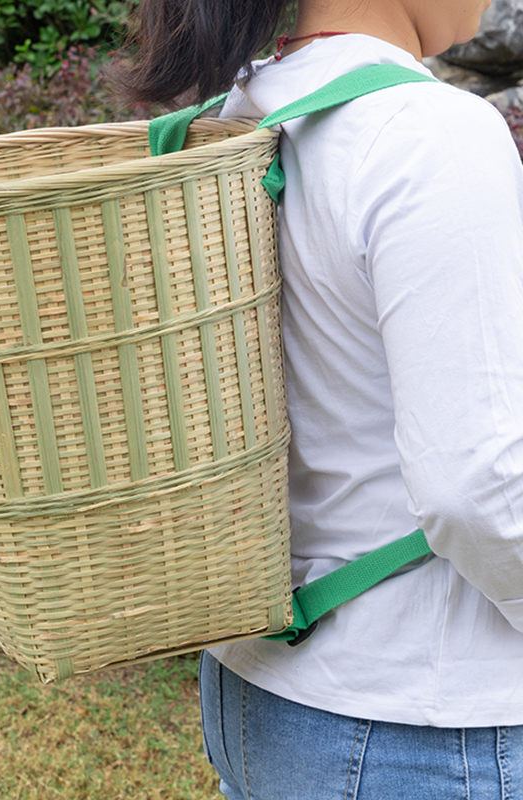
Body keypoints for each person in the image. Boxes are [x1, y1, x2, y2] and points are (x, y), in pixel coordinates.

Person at [112, 0, 523, 797]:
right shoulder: (430, 135)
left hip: (265, 693)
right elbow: (480, 489)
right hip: (421, 728)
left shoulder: (243, 115)